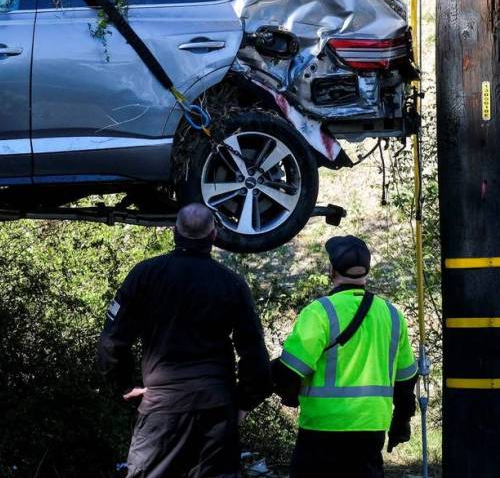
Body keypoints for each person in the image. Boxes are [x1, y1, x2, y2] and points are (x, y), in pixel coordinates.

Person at [97, 203, 272, 478]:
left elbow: (111, 342)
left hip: (161, 408)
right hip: (216, 411)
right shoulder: (232, 284)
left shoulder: (145, 275)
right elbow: (255, 358)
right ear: (214, 236)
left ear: (174, 233)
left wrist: (124, 386)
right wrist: (244, 403)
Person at [273, 235, 418, 478]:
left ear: (331, 269)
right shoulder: (393, 315)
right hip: (371, 428)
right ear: (367, 270)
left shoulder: (320, 312)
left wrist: (289, 397)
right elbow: (406, 380)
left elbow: (290, 371)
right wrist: (401, 422)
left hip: (321, 428)